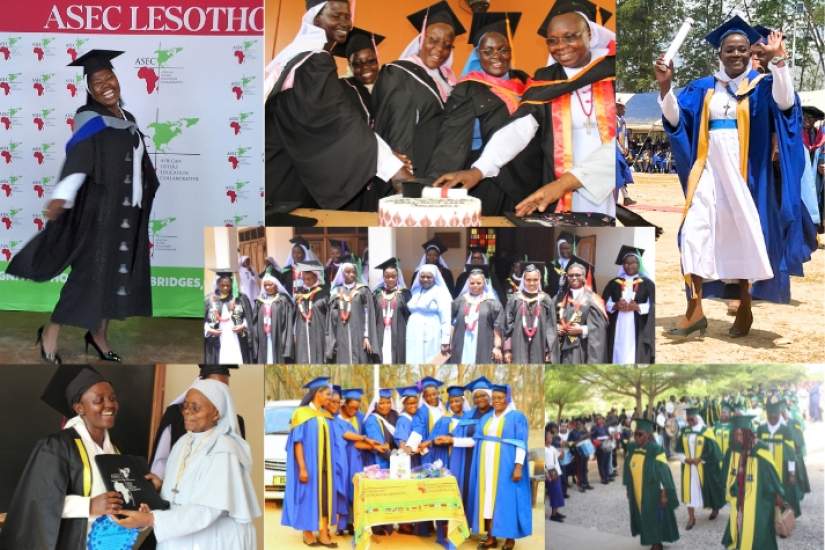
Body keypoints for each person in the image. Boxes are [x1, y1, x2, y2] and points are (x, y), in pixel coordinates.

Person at [655, 17, 814, 337]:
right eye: (730, 49)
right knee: (692, 235)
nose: (736, 54)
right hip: (708, 172)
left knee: (744, 240)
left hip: (746, 175)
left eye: (742, 49)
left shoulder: (763, 86)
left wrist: (779, 62)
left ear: (749, 52)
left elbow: (786, 106)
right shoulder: (703, 87)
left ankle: (744, 306)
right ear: (720, 53)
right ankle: (694, 308)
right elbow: (676, 120)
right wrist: (665, 86)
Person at [7, 50, 160, 364]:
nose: (106, 84)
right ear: (89, 89)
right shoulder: (90, 120)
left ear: (118, 80)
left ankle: (98, 335)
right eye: (97, 81)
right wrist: (63, 194)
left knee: (115, 277)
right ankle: (50, 331)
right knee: (88, 276)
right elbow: (79, 158)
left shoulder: (127, 119)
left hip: (128, 213)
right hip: (101, 214)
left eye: (109, 78)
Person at [434, 1, 617, 219]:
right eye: (552, 40)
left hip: (603, 180)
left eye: (570, 36)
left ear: (589, 33)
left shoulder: (612, 72)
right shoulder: (545, 80)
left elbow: (617, 146)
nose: (561, 46)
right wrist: (479, 169)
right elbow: (519, 128)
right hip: (554, 190)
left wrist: (566, 182)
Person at [264, 0, 409, 214]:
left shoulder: (299, 54)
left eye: (347, 16)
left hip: (279, 169)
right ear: (316, 18)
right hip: (282, 177)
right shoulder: (314, 60)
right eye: (335, 15)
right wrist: (394, 169)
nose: (344, 22)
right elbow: (338, 120)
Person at [114, 379, 261, 549]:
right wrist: (162, 487)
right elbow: (186, 490)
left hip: (212, 539)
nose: (187, 412)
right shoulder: (183, 442)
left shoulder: (224, 449)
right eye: (185, 406)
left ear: (216, 413)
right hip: (180, 535)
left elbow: (208, 510)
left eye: (195, 408)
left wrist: (150, 519)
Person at [427, 11, 541, 215]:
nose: (496, 57)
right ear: (478, 55)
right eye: (488, 51)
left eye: (503, 49)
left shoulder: (525, 81)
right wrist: (437, 188)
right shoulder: (468, 88)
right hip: (489, 179)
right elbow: (452, 139)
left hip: (529, 176)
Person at [0, 366, 125, 549]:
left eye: (113, 398)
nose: (109, 405)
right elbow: (38, 501)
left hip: (109, 542)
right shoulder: (57, 446)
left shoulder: (114, 450)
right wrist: (89, 505)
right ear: (79, 408)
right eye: (99, 400)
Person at [373, 0, 466, 185]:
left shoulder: (448, 80)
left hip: (439, 169)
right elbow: (398, 124)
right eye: (433, 40)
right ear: (421, 39)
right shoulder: (400, 72)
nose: (439, 49)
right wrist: (403, 173)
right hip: (413, 168)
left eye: (447, 45)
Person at [150, 365, 247, 479]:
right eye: (213, 388)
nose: (219, 393)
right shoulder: (176, 417)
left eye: (224, 388)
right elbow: (161, 462)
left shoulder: (235, 424)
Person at [467, 384, 531, 550]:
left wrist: (518, 466)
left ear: (508, 398)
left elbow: (521, 443)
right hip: (485, 466)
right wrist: (452, 440)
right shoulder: (487, 418)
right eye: (494, 398)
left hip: (506, 465)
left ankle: (510, 538)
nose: (496, 401)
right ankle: (491, 537)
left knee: (507, 500)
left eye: (500, 398)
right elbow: (476, 439)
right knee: (487, 499)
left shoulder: (516, 416)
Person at [280, 377, 340, 547]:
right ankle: (307, 532)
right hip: (309, 465)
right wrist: (303, 468)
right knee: (308, 497)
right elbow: (297, 443)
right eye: (327, 394)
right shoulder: (302, 414)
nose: (330, 398)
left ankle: (323, 532)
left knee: (324, 498)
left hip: (325, 466)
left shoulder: (326, 415)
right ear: (317, 394)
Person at [721, 415, 786, 550]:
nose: (738, 438)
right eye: (735, 435)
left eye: (741, 434)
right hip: (739, 499)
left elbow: (772, 477)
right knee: (740, 529)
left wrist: (777, 495)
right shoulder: (733, 452)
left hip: (759, 502)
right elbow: (726, 475)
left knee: (758, 534)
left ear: (748, 433)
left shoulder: (761, 451)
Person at [623, 418, 679, 550]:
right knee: (643, 514)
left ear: (648, 435)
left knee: (654, 516)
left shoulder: (656, 450)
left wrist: (664, 494)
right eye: (635, 434)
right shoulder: (632, 448)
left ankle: (656, 543)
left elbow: (664, 474)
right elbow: (627, 469)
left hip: (652, 491)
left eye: (640, 434)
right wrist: (628, 488)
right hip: (637, 490)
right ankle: (649, 537)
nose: (636, 437)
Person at [332, 388, 377, 536]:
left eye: (357, 408)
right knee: (343, 489)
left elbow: (363, 438)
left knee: (355, 491)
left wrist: (374, 446)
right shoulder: (336, 418)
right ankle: (342, 524)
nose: (354, 410)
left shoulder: (360, 417)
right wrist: (364, 439)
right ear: (344, 404)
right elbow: (347, 436)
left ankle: (353, 523)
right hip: (342, 459)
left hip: (358, 458)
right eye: (351, 407)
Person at [602, 245, 655, 364]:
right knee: (617, 353)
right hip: (618, 326)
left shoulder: (648, 284)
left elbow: (653, 305)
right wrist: (615, 306)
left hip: (638, 326)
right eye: (626, 263)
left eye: (633, 262)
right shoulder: (613, 283)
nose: (629, 265)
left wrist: (638, 307)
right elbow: (603, 303)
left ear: (639, 264)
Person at [674, 407, 725, 530]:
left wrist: (700, 459)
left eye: (692, 419)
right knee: (688, 491)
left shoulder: (706, 431)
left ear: (697, 417)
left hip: (704, 467)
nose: (689, 421)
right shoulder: (684, 431)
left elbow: (713, 451)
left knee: (709, 488)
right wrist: (685, 459)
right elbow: (678, 449)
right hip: (688, 468)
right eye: (688, 419)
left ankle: (715, 508)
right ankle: (691, 518)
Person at [431, 386, 476, 523]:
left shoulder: (472, 418)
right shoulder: (445, 420)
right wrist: (438, 441)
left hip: (467, 459)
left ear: (463, 401)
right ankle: (448, 525)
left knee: (466, 490)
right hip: (449, 459)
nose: (455, 404)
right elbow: (434, 439)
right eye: (452, 401)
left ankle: (465, 523)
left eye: (457, 401)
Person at [393, 385, 432, 536]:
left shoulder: (416, 417)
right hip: (407, 462)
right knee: (406, 491)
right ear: (404, 404)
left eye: (415, 403)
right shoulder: (403, 419)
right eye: (410, 403)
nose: (413, 406)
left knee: (415, 491)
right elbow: (400, 440)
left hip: (416, 459)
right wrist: (408, 449)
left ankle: (413, 522)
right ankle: (404, 524)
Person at [755, 396, 802, 517]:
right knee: (766, 491)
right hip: (765, 469)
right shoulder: (761, 429)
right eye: (770, 414)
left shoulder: (785, 430)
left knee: (784, 493)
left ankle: (784, 519)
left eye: (775, 414)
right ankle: (767, 516)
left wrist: (792, 473)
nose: (772, 417)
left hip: (782, 468)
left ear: (779, 414)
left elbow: (791, 453)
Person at [555, 257, 608, 364]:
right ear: (567, 277)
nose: (574, 278)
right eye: (570, 275)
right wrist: (555, 328)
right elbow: (549, 320)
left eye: (578, 275)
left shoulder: (593, 299)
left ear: (584, 277)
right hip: (560, 348)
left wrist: (582, 330)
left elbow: (600, 328)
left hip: (581, 349)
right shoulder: (559, 298)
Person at [503, 261, 558, 363]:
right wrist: (507, 350)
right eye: (528, 280)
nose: (532, 283)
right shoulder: (515, 299)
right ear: (523, 280)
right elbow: (507, 326)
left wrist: (549, 350)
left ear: (539, 280)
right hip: (517, 346)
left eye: (535, 280)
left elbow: (551, 327)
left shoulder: (546, 300)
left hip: (539, 346)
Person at [326, 260, 377, 364]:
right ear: (342, 274)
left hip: (359, 335)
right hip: (341, 334)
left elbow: (368, 314)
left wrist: (366, 336)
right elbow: (331, 319)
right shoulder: (336, 292)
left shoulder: (363, 291)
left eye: (353, 272)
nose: (351, 274)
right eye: (347, 272)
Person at [450, 266, 504, 364]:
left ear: (484, 284)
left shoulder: (492, 303)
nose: (475, 285)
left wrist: (497, 347)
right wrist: (449, 343)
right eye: (472, 283)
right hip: (462, 343)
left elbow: (498, 328)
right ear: (468, 284)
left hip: (483, 344)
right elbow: (452, 323)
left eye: (479, 283)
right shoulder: (459, 301)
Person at [332, 28, 385, 127]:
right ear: (350, 66)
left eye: (371, 61)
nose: (365, 68)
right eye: (357, 64)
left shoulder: (391, 84)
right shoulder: (343, 90)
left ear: (377, 60)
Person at [406, 264, 452, 364]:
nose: (425, 279)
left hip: (431, 330)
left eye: (429, 277)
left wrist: (445, 340)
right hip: (413, 331)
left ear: (434, 278)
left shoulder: (440, 292)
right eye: (422, 276)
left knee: (429, 359)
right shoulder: (415, 291)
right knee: (413, 358)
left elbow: (446, 318)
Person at [204, 272, 252, 364]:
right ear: (217, 284)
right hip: (218, 338)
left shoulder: (240, 298)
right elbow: (203, 321)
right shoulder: (209, 300)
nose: (225, 288)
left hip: (236, 337)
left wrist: (243, 326)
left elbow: (249, 317)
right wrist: (208, 329)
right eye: (222, 285)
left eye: (228, 285)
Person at [372, 257, 410, 364]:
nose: (390, 279)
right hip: (380, 333)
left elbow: (409, 317)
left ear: (398, 277)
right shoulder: (377, 294)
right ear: (383, 277)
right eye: (387, 277)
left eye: (393, 277)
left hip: (398, 334)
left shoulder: (404, 294)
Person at [250, 273, 294, 363]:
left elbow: (288, 323)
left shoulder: (283, 300)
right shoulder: (260, 301)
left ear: (276, 286)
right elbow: (254, 322)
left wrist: (285, 341)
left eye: (270, 284)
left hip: (278, 337)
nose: (267, 287)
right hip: (263, 337)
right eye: (265, 285)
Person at [292, 261, 329, 363]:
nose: (306, 281)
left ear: (316, 278)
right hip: (302, 331)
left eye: (309, 279)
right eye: (304, 279)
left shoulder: (323, 293)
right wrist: (294, 333)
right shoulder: (300, 294)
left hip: (318, 330)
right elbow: (294, 316)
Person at [545, 427, 566, 523]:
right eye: (549, 437)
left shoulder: (552, 448)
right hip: (551, 473)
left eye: (551, 436)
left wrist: (562, 448)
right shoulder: (544, 449)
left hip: (557, 472)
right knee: (554, 493)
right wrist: (546, 474)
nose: (551, 438)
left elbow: (560, 457)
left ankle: (556, 512)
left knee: (558, 493)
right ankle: (553, 515)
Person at [547, 232, 574, 298]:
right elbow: (548, 285)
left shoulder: (577, 266)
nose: (564, 251)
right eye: (562, 248)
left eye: (567, 248)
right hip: (554, 300)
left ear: (572, 248)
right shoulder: (551, 265)